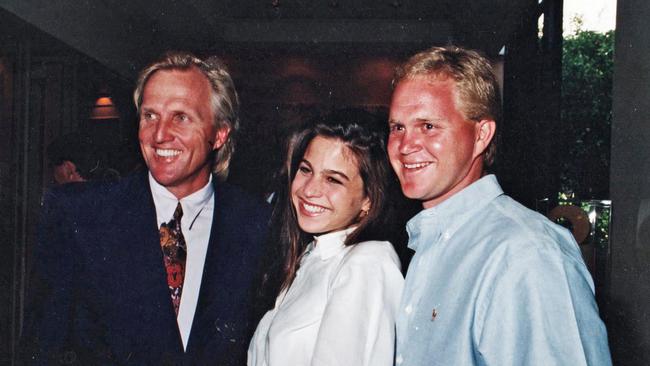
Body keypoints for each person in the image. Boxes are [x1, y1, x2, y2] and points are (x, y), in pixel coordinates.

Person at [21, 51, 270, 365]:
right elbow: (41, 345)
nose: (160, 134)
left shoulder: (257, 224)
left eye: (181, 117)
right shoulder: (78, 214)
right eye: (150, 115)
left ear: (219, 134)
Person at [388, 46, 612, 365]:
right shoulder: (434, 244)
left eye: (428, 126)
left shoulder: (526, 253)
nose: (406, 145)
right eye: (397, 127)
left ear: (481, 135)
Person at [248, 111, 404, 366]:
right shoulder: (310, 257)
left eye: (333, 179)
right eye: (306, 170)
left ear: (369, 199)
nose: (309, 189)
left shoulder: (367, 262)